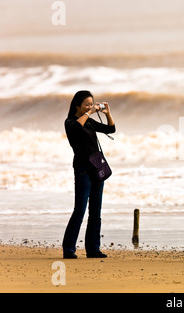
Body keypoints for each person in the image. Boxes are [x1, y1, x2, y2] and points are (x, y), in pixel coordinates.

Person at [62, 90, 116, 259]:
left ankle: (93, 248)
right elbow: (78, 128)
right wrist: (89, 112)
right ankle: (69, 249)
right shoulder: (70, 122)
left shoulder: (90, 122)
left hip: (96, 168)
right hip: (83, 169)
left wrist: (107, 114)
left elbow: (111, 129)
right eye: (86, 104)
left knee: (95, 211)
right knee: (80, 210)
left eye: (92, 104)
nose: (90, 107)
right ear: (77, 105)